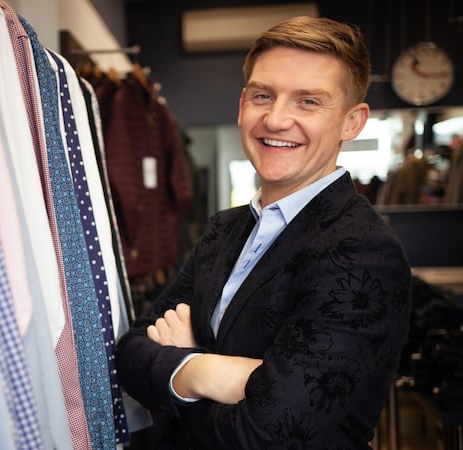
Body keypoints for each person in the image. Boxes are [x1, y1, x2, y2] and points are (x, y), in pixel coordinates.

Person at [115, 15, 412, 449]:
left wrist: (182, 364)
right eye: (263, 95)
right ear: (242, 105)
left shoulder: (364, 252)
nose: (275, 119)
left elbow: (272, 435)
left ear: (352, 122)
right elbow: (129, 353)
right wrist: (211, 372)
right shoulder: (224, 228)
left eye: (308, 102)